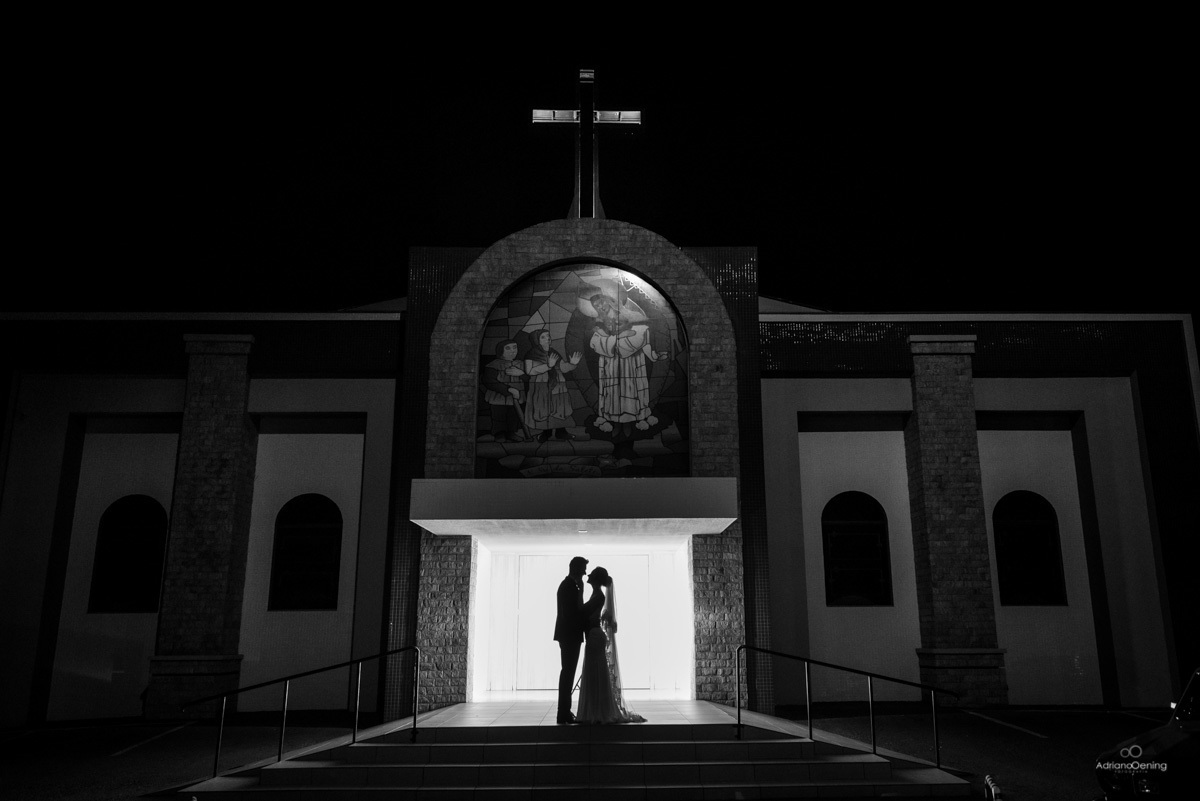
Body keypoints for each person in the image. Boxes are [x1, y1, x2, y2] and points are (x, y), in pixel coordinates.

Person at [576, 566, 645, 724]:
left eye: (592, 574)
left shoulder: (598, 596)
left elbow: (584, 611)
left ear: (596, 579)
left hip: (594, 636)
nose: (589, 575)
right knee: (595, 672)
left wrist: (579, 593)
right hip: (593, 635)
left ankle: (596, 711)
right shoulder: (597, 594)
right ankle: (595, 709)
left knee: (596, 672)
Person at [522, 329, 582, 443]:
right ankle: (545, 433)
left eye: (548, 336)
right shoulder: (531, 354)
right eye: (543, 337)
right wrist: (548, 366)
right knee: (544, 407)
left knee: (559, 407)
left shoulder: (554, 352)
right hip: (541, 385)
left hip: (558, 385)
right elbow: (529, 371)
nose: (547, 339)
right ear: (536, 340)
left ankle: (561, 432)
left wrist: (573, 364)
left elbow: (563, 368)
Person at [553, 555, 589, 725]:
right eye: (583, 569)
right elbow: (572, 613)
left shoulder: (569, 585)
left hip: (569, 634)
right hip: (570, 635)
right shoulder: (569, 586)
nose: (585, 572)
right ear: (576, 568)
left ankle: (565, 711)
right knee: (568, 673)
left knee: (568, 672)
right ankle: (563, 713)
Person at [481, 339, 526, 442]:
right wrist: (507, 389)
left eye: (515, 347)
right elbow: (488, 381)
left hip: (517, 396)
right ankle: (499, 434)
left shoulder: (520, 364)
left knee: (514, 416)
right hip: (499, 397)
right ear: (501, 350)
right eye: (508, 348)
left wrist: (521, 374)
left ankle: (511, 433)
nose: (512, 351)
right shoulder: (493, 365)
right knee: (499, 416)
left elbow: (529, 379)